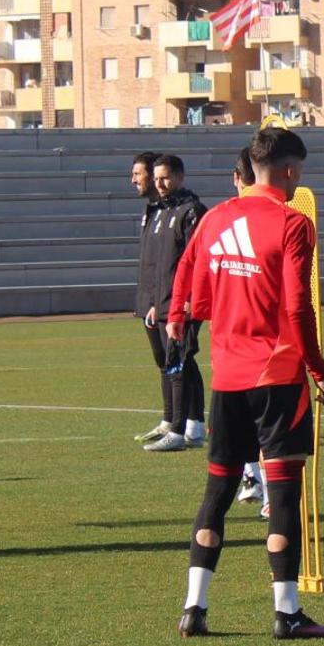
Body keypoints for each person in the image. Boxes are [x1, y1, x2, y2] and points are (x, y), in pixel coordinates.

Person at [167, 127, 324, 640]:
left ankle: (194, 607)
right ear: (288, 171)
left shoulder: (216, 217)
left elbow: (189, 278)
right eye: (299, 172)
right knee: (283, 493)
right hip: (278, 376)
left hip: (228, 378)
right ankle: (287, 613)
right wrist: (320, 371)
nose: (298, 181)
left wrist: (181, 313)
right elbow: (296, 306)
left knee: (218, 489)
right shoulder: (292, 223)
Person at [138, 154, 208, 452]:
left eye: (165, 177)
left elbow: (195, 260)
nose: (160, 184)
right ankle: (185, 424)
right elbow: (159, 264)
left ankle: (179, 430)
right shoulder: (161, 210)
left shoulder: (191, 212)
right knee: (174, 361)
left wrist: (190, 298)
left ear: (180, 176)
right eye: (156, 178)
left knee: (178, 359)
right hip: (164, 300)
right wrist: (154, 300)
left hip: (182, 302)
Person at [228, 146, 268, 514]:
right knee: (249, 426)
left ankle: (266, 487)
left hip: (251, 342)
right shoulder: (227, 219)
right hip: (243, 339)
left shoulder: (226, 218)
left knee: (260, 424)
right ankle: (254, 478)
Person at [131, 151, 177, 445]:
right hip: (151, 300)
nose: (134, 179)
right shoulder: (153, 210)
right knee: (163, 360)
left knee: (179, 361)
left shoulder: (175, 211)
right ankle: (169, 419)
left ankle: (186, 422)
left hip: (168, 300)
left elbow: (170, 262)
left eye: (138, 173)